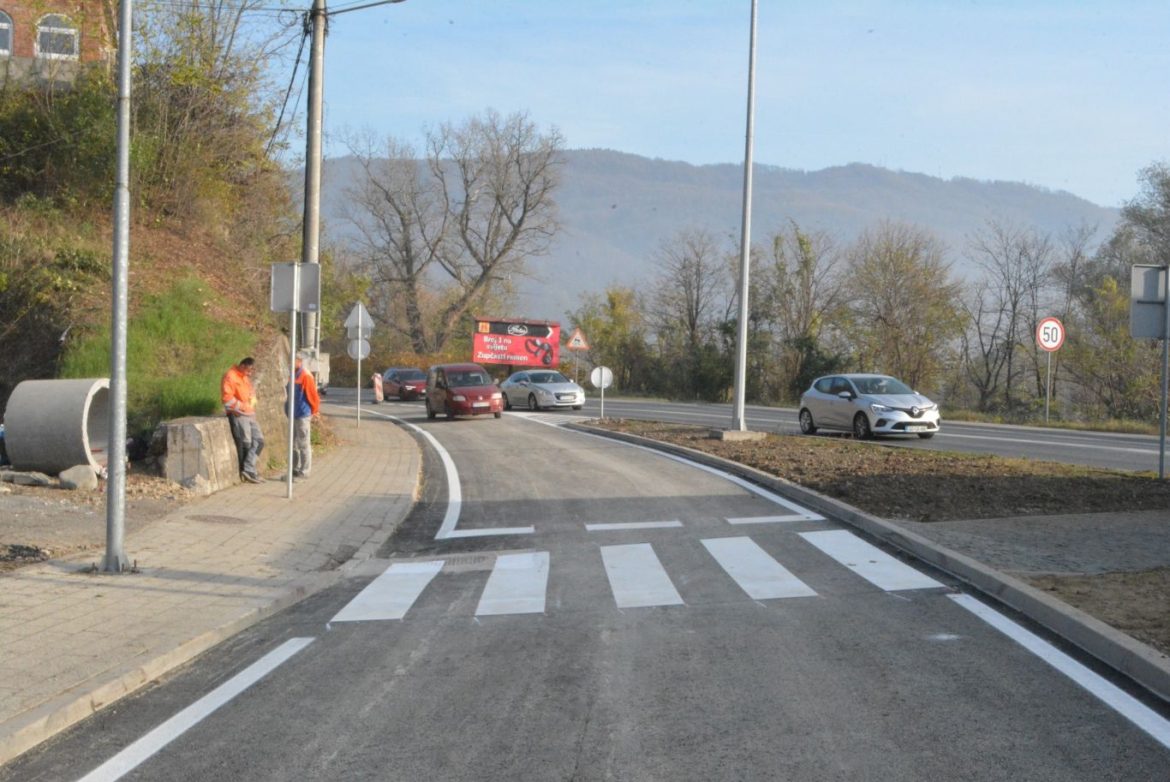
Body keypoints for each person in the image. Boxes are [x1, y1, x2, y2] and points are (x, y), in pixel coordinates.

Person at [222, 357, 265, 483]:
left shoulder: (244, 377)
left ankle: (248, 468)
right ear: (243, 366)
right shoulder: (230, 376)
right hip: (239, 415)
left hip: (250, 414)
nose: (250, 373)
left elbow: (250, 392)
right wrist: (242, 407)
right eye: (249, 370)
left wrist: (253, 399)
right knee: (246, 443)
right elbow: (227, 399)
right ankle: (248, 470)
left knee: (259, 441)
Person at [288, 353, 321, 478]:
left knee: (304, 443)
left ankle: (305, 471)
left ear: (299, 362)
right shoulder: (293, 374)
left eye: (292, 361)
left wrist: (315, 411)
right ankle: (294, 469)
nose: (290, 364)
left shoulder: (306, 376)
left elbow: (313, 396)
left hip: (302, 414)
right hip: (293, 414)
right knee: (293, 443)